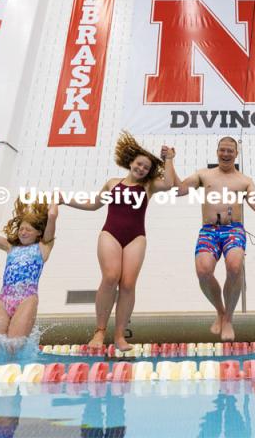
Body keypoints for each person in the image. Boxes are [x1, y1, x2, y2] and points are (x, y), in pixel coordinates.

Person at [172, 136, 255, 342]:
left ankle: (228, 318)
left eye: (230, 151)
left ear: (236, 154)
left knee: (235, 266)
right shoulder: (204, 175)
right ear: (217, 151)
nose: (226, 154)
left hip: (233, 229)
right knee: (203, 271)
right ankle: (220, 311)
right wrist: (170, 161)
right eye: (223, 150)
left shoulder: (244, 180)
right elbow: (179, 189)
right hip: (209, 230)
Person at [62, 132, 175, 351]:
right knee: (111, 276)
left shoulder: (148, 186)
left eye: (146, 168)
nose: (141, 169)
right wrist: (65, 199)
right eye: (139, 164)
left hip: (136, 236)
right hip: (110, 234)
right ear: (131, 162)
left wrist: (169, 158)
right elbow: (93, 205)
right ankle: (100, 331)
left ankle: (120, 336)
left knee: (128, 284)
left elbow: (169, 184)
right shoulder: (112, 183)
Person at [0, 188, 57, 340]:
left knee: (14, 344)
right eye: (21, 229)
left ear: (39, 232)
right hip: (4, 298)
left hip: (27, 299)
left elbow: (52, 216)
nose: (23, 232)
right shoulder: (10, 247)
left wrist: (54, 201)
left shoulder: (43, 247)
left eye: (28, 230)